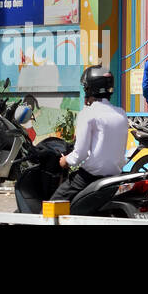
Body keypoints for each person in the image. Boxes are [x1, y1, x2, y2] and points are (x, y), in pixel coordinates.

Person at [52, 66, 129, 205]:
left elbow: (79, 154)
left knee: (54, 203)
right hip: (116, 176)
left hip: (90, 177)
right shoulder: (121, 114)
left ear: (90, 89)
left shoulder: (88, 114)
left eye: (86, 87)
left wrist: (65, 161)